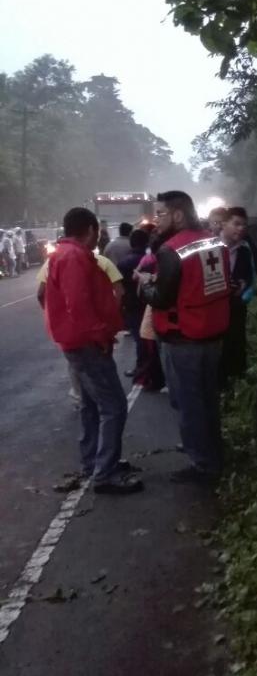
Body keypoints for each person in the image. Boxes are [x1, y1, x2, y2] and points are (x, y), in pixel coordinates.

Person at [42, 207, 142, 494]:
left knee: (90, 405)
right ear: (90, 229)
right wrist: (100, 336)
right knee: (114, 406)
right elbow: (80, 306)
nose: (99, 234)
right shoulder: (73, 257)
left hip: (77, 342)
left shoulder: (64, 255)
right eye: (97, 229)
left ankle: (94, 462)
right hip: (86, 343)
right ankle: (105, 473)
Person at [138, 191, 231, 483]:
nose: (156, 221)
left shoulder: (171, 250)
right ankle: (214, 453)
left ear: (178, 215)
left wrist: (144, 285)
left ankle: (204, 464)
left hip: (184, 337)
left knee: (189, 403)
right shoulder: (214, 241)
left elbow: (162, 299)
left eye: (161, 214)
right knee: (208, 399)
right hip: (213, 331)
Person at [38, 246, 125, 404]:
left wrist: (57, 315)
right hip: (96, 332)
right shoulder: (102, 262)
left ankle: (80, 396)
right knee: (112, 403)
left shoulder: (50, 262)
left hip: (69, 335)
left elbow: (40, 294)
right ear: (91, 232)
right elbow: (119, 291)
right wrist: (111, 315)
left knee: (77, 367)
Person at [219, 207, 255, 386]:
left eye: (244, 225)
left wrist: (243, 288)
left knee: (236, 347)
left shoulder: (245, 250)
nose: (240, 229)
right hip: (214, 309)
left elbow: (250, 276)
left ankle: (236, 387)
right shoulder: (209, 247)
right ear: (223, 224)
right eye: (236, 224)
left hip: (236, 307)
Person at [117, 229, 149, 378]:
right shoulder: (151, 259)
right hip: (149, 302)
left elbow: (119, 288)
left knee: (139, 339)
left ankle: (142, 369)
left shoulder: (124, 263)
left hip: (132, 305)